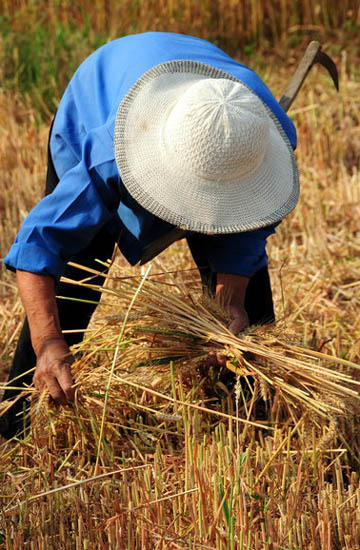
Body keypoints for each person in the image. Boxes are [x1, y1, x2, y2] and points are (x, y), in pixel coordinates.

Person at [0, 32, 298, 439]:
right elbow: (39, 246)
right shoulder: (109, 154)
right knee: (78, 276)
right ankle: (14, 422)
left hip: (212, 113)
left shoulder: (265, 136)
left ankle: (249, 422)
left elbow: (245, 234)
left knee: (245, 318)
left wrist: (231, 303)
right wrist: (48, 340)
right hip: (102, 94)